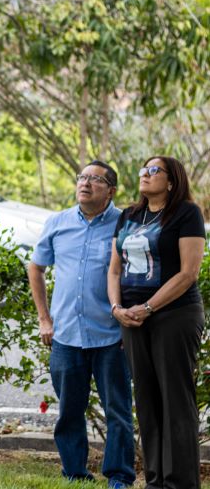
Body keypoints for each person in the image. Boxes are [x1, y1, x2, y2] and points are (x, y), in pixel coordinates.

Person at [28, 161, 135, 487]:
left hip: (111, 336)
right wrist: (44, 319)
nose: (85, 184)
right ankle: (74, 473)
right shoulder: (58, 222)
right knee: (69, 412)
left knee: (117, 412)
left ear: (111, 191)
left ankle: (119, 476)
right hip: (66, 337)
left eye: (95, 179)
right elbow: (36, 268)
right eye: (82, 178)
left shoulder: (125, 223)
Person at [108, 156, 206, 489]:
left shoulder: (186, 213)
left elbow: (188, 272)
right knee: (147, 401)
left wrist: (148, 307)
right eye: (142, 169)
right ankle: (154, 482)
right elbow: (114, 270)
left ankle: (179, 483)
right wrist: (117, 307)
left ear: (172, 180)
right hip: (133, 318)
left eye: (154, 171)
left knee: (175, 401)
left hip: (174, 316)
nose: (145, 175)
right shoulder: (129, 215)